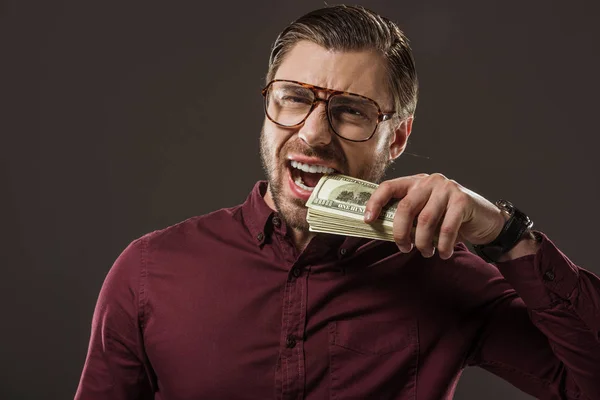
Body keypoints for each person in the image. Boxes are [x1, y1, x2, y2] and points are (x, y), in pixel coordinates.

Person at [75, 5, 600, 400]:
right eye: (295, 98)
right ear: (268, 105)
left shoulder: (447, 275)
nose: (313, 133)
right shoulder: (148, 271)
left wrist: (506, 235)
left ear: (395, 139)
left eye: (351, 111)